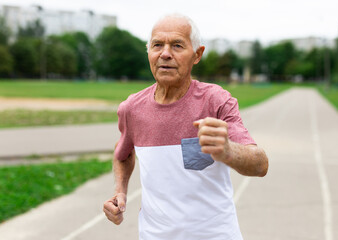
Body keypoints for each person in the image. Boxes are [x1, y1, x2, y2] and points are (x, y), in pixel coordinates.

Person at [103, 14, 268, 240]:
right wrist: (119, 192)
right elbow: (123, 153)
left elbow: (260, 164)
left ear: (197, 55)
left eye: (177, 45)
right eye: (157, 45)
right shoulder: (131, 108)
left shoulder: (216, 101)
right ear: (149, 52)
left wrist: (228, 151)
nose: (165, 53)